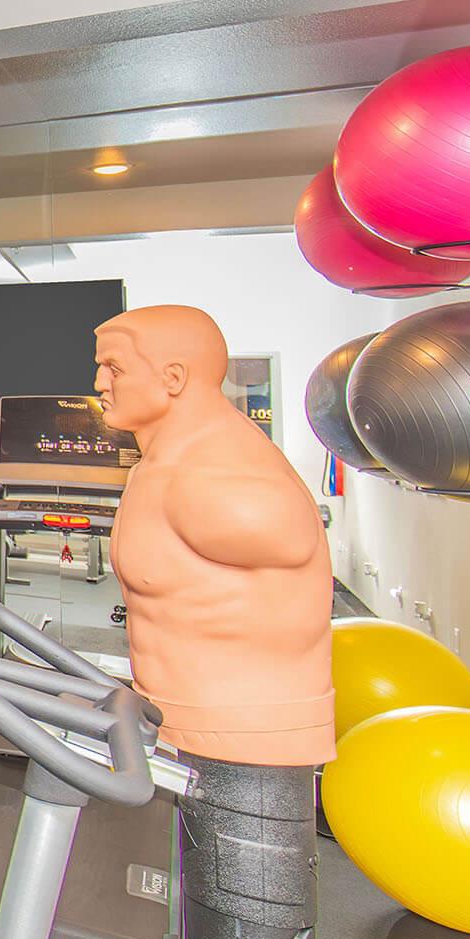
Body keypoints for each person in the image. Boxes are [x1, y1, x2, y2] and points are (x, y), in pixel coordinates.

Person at [93, 305, 335, 767]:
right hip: (173, 718)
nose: (100, 383)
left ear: (174, 378)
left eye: (114, 368)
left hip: (246, 740)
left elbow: (289, 540)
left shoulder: (218, 473)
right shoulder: (158, 467)